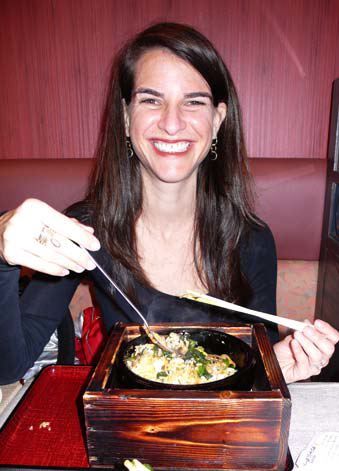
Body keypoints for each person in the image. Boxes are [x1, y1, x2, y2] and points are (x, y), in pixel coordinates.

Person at [0, 22, 337, 385]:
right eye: (151, 100)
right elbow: (8, 367)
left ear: (218, 120)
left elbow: (254, 366)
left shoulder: (251, 240)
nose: (172, 124)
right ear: (127, 118)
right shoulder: (86, 229)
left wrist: (277, 366)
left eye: (193, 102)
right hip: (130, 426)